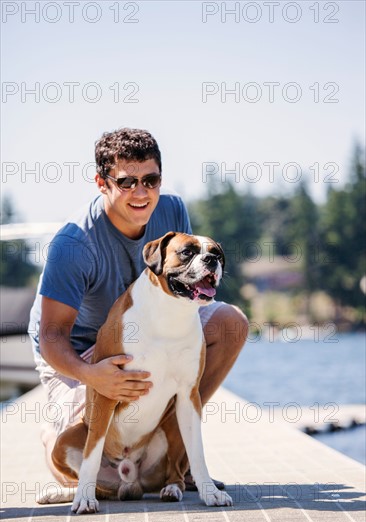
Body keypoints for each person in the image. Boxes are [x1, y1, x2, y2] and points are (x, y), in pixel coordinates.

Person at [28, 127, 248, 492]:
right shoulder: (73, 244)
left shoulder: (173, 210)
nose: (141, 192)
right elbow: (52, 337)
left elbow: (184, 289)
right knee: (88, 460)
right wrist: (91, 373)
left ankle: (177, 457)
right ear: (102, 182)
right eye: (127, 182)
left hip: (150, 332)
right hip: (82, 349)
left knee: (230, 323)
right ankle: (55, 434)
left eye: (151, 179)